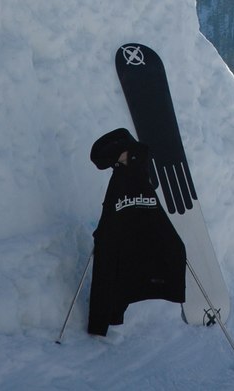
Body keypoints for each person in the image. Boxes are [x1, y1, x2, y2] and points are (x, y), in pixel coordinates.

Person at [87, 128, 186, 336]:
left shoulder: (131, 174)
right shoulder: (129, 174)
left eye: (124, 157)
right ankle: (110, 314)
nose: (123, 162)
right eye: (120, 158)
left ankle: (109, 314)